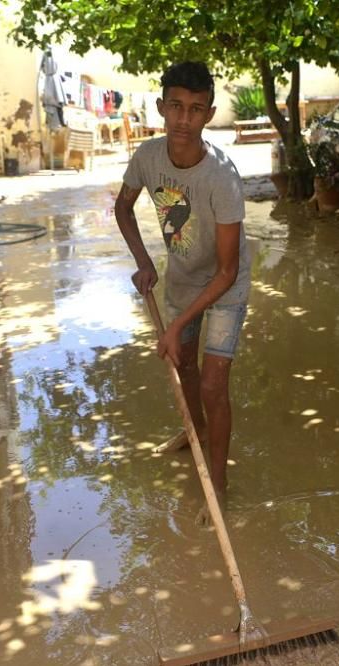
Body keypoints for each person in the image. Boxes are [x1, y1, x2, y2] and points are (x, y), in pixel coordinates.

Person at [114, 61, 251, 510]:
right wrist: (143, 261)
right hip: (183, 279)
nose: (184, 119)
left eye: (195, 109)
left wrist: (174, 327)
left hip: (225, 285)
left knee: (213, 383)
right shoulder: (147, 158)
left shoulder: (223, 178)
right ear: (161, 108)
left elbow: (227, 272)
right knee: (185, 369)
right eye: (175, 107)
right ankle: (196, 432)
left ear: (208, 115)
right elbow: (123, 208)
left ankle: (219, 480)